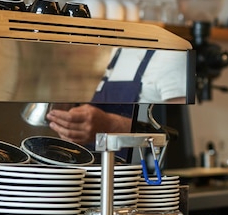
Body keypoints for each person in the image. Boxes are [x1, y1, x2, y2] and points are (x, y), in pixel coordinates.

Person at [47, 48, 187, 147]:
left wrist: (110, 125)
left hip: (140, 176)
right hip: (95, 172)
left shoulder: (170, 56)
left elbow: (176, 136)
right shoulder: (112, 51)